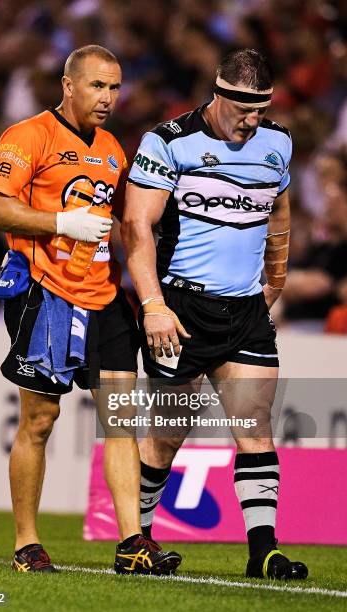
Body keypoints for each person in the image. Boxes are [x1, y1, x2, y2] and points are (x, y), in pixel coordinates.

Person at [0, 45, 181, 575]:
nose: (108, 98)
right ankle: (27, 543)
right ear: (68, 86)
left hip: (104, 295)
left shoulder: (113, 149)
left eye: (114, 87)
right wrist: (61, 223)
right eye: (96, 86)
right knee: (39, 420)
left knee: (120, 420)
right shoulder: (28, 136)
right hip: (43, 293)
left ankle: (132, 543)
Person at [122, 49, 308, 580]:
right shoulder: (169, 141)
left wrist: (276, 276)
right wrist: (153, 306)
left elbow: (280, 208)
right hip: (180, 308)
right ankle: (139, 540)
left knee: (255, 428)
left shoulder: (278, 141)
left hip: (246, 309)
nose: (253, 121)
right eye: (244, 110)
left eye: (261, 109)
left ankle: (263, 551)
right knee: (167, 433)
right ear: (219, 95)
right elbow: (137, 227)